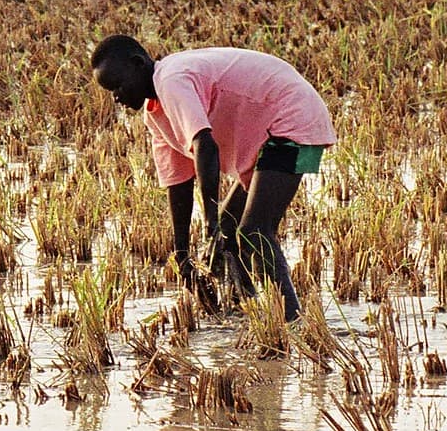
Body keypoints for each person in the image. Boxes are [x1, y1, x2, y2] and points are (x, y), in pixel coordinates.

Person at [90, 35, 335, 320]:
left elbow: (204, 146)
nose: (117, 97)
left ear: (138, 63)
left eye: (118, 85)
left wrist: (211, 222)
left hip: (297, 121)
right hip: (269, 137)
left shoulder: (171, 78)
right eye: (110, 91)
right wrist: (182, 257)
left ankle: (293, 323)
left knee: (254, 231)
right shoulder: (155, 115)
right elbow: (178, 182)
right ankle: (245, 314)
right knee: (229, 236)